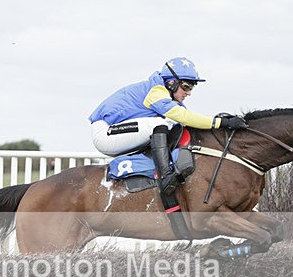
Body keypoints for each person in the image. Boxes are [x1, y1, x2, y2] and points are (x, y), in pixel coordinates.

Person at [89, 57, 247, 194]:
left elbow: (188, 119)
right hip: (105, 133)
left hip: (118, 130)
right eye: (186, 86)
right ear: (171, 83)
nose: (189, 92)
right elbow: (184, 117)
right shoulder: (156, 92)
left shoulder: (165, 95)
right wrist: (220, 123)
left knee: (173, 123)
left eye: (192, 87)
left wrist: (223, 124)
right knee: (162, 123)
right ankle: (165, 177)